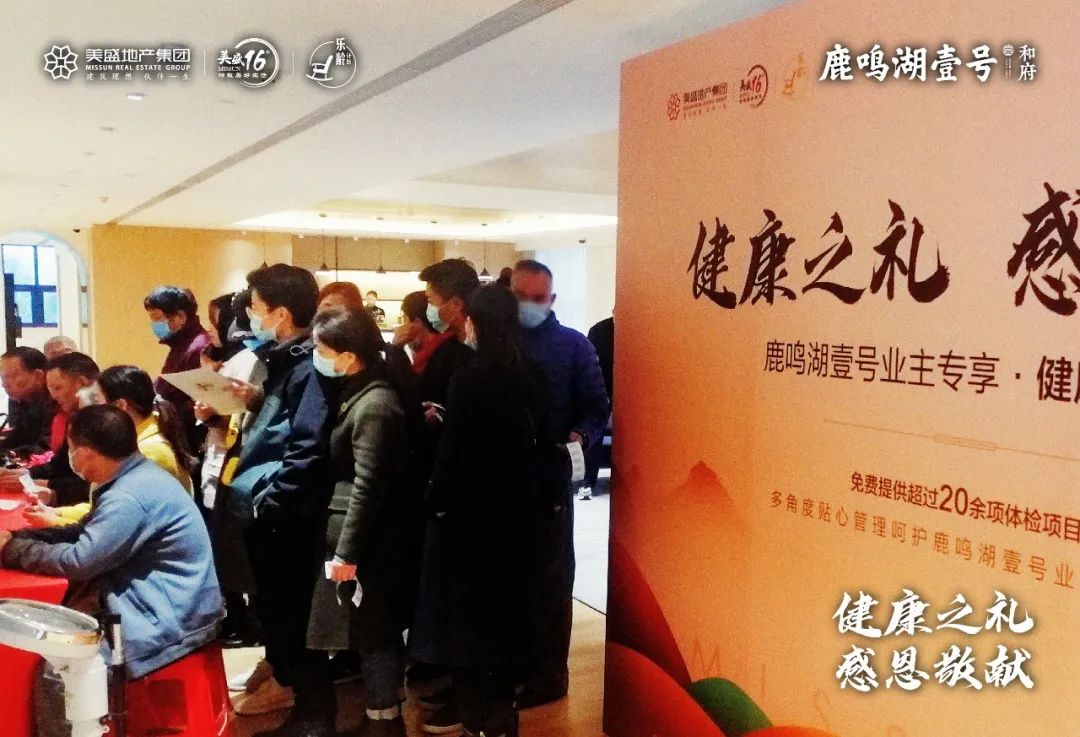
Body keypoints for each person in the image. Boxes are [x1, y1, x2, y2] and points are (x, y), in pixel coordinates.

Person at [0, 405, 224, 731]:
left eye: (71, 448)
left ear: (87, 453)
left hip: (168, 617)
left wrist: (12, 550)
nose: (70, 456)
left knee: (59, 671)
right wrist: (20, 538)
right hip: (164, 600)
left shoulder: (129, 496)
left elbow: (80, 561)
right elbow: (84, 532)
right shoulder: (133, 477)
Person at [410, 284, 548, 737]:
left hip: (471, 519)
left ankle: (476, 718)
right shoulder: (532, 373)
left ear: (476, 322)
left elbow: (454, 455)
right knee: (508, 618)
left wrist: (435, 502)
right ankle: (504, 717)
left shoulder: (469, 378)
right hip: (519, 513)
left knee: (469, 624)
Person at [223, 264, 335, 735]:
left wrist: (274, 502)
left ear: (282, 313)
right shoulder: (287, 359)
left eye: (255, 308)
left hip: (290, 514)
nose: (250, 317)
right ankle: (299, 700)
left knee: (293, 615)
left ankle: (314, 717)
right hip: (277, 508)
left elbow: (307, 445)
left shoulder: (308, 364)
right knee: (279, 612)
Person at [305, 306, 412, 737]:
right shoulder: (360, 391)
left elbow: (368, 486)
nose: (317, 356)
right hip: (362, 536)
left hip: (371, 543)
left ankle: (384, 722)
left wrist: (346, 554)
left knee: (374, 633)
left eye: (322, 349)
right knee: (369, 631)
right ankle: (381, 717)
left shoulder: (376, 405)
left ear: (348, 356)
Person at [511, 259, 609, 708]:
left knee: (551, 580)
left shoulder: (573, 345)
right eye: (521, 297)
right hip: (502, 477)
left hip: (549, 478)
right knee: (509, 579)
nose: (529, 305)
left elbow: (597, 405)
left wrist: (580, 437)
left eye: (538, 298)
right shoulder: (495, 340)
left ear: (551, 299)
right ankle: (511, 667)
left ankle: (549, 676)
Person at [23, 365, 197, 527]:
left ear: (120, 406)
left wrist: (55, 521)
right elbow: (103, 506)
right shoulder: (131, 439)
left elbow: (121, 522)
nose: (93, 407)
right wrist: (57, 512)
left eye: (97, 400)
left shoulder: (150, 451)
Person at [199, 289, 267, 650]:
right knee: (228, 550)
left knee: (239, 553)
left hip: (238, 465)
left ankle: (250, 623)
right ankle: (241, 618)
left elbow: (239, 420)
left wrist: (214, 411)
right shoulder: (233, 358)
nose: (212, 331)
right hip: (225, 461)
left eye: (216, 322)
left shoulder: (251, 360)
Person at [0, 352, 100, 505]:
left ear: (82, 383)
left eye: (58, 388)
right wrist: (27, 473)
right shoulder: (76, 418)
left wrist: (43, 483)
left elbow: (95, 483)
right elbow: (59, 464)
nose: (53, 396)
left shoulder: (103, 424)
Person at [144, 285, 212, 450]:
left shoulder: (199, 346)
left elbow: (198, 399)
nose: (154, 325)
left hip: (190, 439)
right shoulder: (181, 345)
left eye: (157, 318)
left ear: (180, 316)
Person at [582, 313, 615, 499]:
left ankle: (589, 480)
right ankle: (588, 480)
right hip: (604, 387)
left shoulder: (599, 330)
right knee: (594, 430)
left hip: (618, 387)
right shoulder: (599, 331)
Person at [0, 347, 55, 454]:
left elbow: (47, 448)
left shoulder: (57, 401)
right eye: (3, 377)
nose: (5, 384)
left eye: (12, 376)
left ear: (39, 376)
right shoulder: (21, 400)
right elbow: (17, 438)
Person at [392, 290, 442, 374]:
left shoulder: (432, 356)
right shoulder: (447, 343)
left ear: (416, 321)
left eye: (404, 318)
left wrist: (395, 349)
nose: (403, 325)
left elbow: (406, 380)